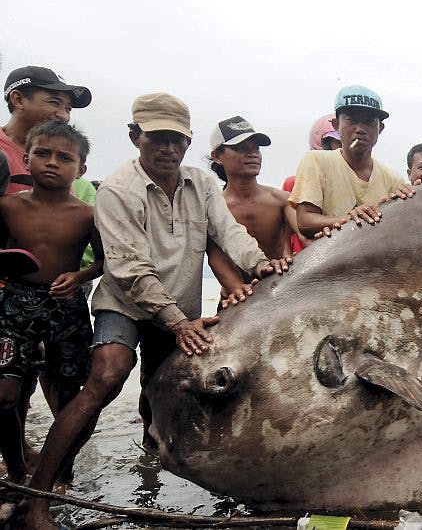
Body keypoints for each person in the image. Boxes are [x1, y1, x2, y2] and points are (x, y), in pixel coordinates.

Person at [19, 93, 288, 529]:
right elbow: (127, 268)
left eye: (176, 140)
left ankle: (151, 479)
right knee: (106, 378)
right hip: (126, 303)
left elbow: (229, 233)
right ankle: (40, 496)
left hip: (180, 304)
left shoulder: (201, 184)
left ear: (187, 143)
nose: (167, 148)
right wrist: (178, 322)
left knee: (160, 394)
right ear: (135, 137)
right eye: (157, 138)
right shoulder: (117, 191)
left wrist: (262, 265)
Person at [0, 121, 102, 487]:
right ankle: (14, 472)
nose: (52, 163)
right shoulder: (7, 207)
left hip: (66, 306)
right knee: (5, 395)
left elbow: (103, 262)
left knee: (69, 393)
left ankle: (61, 473)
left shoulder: (88, 215)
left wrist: (78, 277)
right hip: (15, 305)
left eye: (65, 157)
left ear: (81, 168)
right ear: (26, 158)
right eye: (43, 153)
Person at [290, 85, 415, 239]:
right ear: (336, 125)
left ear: (380, 128)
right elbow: (305, 221)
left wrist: (402, 202)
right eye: (352, 120)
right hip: (331, 258)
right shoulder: (316, 161)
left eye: (369, 122)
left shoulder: (393, 178)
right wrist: (349, 219)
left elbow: (398, 227)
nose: (360, 129)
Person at [207, 115, 293, 307]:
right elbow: (214, 255)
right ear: (217, 156)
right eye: (241, 148)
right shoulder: (212, 207)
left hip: (279, 288)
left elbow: (305, 232)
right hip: (235, 297)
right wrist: (237, 289)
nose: (252, 154)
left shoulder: (280, 200)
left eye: (256, 148)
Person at [2, 66, 91, 195]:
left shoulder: (64, 164)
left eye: (68, 109)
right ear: (18, 100)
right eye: (54, 102)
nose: (64, 116)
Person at [282, 114, 342, 255]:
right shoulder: (293, 183)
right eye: (337, 143)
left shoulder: (353, 182)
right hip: (303, 261)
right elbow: (284, 232)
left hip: (337, 256)